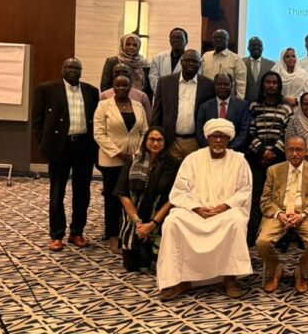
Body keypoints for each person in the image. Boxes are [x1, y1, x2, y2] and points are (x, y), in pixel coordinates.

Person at [156, 118, 253, 301]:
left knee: (236, 221)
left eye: (223, 137)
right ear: (207, 137)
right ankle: (181, 280)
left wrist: (225, 206)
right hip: (196, 211)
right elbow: (179, 191)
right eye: (215, 136)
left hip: (224, 212)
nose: (218, 140)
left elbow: (245, 190)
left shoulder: (239, 161)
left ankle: (230, 278)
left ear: (229, 139)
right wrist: (197, 208)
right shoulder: (192, 159)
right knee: (173, 221)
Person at [32, 58, 100, 251]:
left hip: (84, 147)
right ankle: (57, 234)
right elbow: (37, 121)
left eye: (77, 68)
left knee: (82, 193)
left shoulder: (91, 91)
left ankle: (77, 232)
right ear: (61, 69)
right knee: (57, 192)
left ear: (81, 71)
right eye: (69, 67)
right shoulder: (46, 89)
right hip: (59, 147)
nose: (73, 70)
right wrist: (44, 144)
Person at [256, 136, 308, 294]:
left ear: (306, 151)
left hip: (304, 214)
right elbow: (265, 200)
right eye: (291, 149)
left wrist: (302, 216)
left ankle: (300, 271)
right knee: (262, 242)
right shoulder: (274, 170)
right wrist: (279, 214)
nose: (295, 153)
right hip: (279, 213)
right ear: (286, 151)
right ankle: (275, 270)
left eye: (299, 150)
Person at [93, 74, 149, 253]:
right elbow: (99, 133)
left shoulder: (138, 106)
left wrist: (138, 152)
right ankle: (113, 236)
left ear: (130, 87)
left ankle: (129, 232)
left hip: (135, 160)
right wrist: (119, 154)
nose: (121, 88)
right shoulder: (103, 105)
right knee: (112, 199)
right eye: (118, 85)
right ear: (113, 87)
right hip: (112, 160)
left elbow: (144, 131)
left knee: (132, 199)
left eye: (125, 85)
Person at [115, 127, 180, 272]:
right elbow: (122, 193)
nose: (155, 143)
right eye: (152, 139)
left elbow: (173, 197)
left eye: (159, 140)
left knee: (152, 262)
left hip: (159, 216)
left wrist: (152, 224)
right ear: (145, 141)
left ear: (165, 142)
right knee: (131, 265)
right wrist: (138, 222)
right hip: (134, 217)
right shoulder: (133, 160)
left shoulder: (173, 164)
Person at [246, 71, 292, 246]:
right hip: (257, 159)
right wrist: (262, 152)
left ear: (279, 86)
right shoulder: (254, 106)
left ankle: (279, 237)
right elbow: (250, 131)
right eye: (268, 82)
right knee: (256, 198)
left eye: (274, 82)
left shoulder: (286, 108)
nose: (271, 85)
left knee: (279, 198)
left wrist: (273, 152)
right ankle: (252, 236)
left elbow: (287, 133)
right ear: (263, 85)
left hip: (278, 159)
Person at [151, 50, 214, 160]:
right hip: (171, 141)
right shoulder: (165, 82)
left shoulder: (208, 85)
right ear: (181, 62)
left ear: (200, 64)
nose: (190, 64)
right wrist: (154, 135)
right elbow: (157, 112)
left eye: (194, 61)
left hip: (195, 142)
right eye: (187, 60)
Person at [196, 72, 251, 152]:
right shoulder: (204, 107)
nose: (222, 87)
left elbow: (244, 133)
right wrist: (212, 148)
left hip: (234, 152)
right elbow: (200, 132)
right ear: (214, 86)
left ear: (232, 86)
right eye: (219, 84)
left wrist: (228, 149)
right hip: (209, 151)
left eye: (226, 84)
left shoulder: (243, 106)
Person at [201, 29, 246, 99]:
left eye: (221, 37)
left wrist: (239, 101)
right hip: (207, 97)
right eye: (216, 38)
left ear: (228, 40)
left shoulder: (236, 59)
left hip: (227, 100)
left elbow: (241, 83)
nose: (218, 39)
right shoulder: (205, 56)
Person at [285, 92, 308, 163]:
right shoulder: (294, 122)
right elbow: (288, 147)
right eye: (305, 104)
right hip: (298, 164)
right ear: (300, 105)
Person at [149, 27, 188, 94]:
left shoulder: (191, 60)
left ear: (186, 41)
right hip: (161, 95)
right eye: (173, 37)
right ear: (170, 41)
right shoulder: (158, 58)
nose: (176, 40)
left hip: (182, 95)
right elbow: (153, 79)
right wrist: (165, 92)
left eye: (179, 37)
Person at [242, 36, 275, 103]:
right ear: (248, 48)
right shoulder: (241, 63)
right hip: (245, 103)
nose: (256, 47)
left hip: (265, 103)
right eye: (253, 45)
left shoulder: (271, 65)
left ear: (262, 48)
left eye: (259, 45)